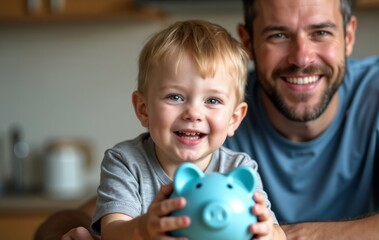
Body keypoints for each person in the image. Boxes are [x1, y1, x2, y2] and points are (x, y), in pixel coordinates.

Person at [35, 0, 379, 239]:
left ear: (349, 36)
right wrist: (63, 234)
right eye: (278, 34)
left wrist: (288, 236)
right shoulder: (210, 106)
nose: (302, 56)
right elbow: (95, 215)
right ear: (248, 42)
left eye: (321, 32)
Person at [35, 19, 286, 240]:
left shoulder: (240, 169)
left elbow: (276, 232)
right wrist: (144, 230)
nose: (193, 113)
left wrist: (268, 235)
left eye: (212, 101)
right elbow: (114, 231)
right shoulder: (125, 162)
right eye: (175, 97)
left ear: (233, 119)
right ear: (143, 109)